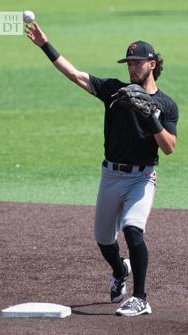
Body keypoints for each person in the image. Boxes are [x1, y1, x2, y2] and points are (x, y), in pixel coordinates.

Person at [25, 23, 178, 317]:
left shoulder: (166, 105)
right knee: (104, 239)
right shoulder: (114, 91)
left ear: (152, 64)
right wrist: (45, 44)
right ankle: (120, 270)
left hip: (142, 177)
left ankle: (141, 298)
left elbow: (169, 147)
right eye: (129, 63)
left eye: (137, 62)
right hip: (111, 176)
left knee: (133, 230)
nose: (132, 67)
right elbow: (75, 75)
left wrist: (152, 118)